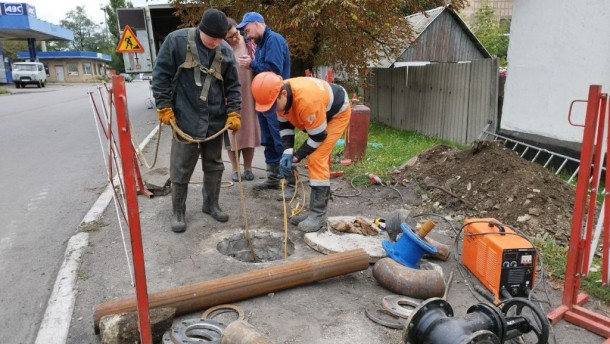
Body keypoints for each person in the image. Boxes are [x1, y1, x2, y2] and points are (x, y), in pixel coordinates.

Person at [152, 9, 241, 233]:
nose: (216, 43)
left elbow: (233, 86)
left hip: (215, 119)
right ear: (202, 30)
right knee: (181, 168)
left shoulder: (226, 50)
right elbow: (160, 75)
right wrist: (164, 106)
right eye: (213, 39)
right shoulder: (176, 41)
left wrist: (234, 112)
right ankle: (178, 211)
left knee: (214, 165)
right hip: (184, 118)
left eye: (220, 39)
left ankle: (211, 204)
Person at [251, 72, 351, 233]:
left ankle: (318, 214)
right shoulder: (275, 95)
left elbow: (318, 136)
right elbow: (285, 128)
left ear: (283, 94)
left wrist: (296, 157)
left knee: (317, 157)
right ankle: (312, 211)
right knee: (311, 154)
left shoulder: (306, 101)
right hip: (318, 108)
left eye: (272, 106)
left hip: (337, 113)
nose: (271, 111)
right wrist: (287, 152)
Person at [236, 12, 290, 190]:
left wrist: (251, 64)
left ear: (258, 24)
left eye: (248, 30)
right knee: (268, 139)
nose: (247, 35)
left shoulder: (273, 40)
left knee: (279, 140)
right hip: (264, 99)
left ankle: (289, 182)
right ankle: (273, 178)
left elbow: (274, 71)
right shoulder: (260, 43)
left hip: (277, 99)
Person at [224, 18, 260, 182]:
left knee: (249, 132)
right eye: (229, 38)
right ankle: (235, 169)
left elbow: (260, 65)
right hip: (229, 97)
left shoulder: (250, 44)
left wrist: (252, 64)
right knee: (232, 134)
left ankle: (248, 168)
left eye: (235, 34)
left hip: (249, 94)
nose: (234, 39)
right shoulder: (222, 49)